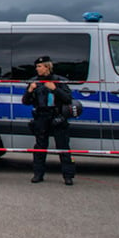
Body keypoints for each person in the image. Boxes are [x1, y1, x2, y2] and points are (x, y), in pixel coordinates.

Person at [22, 55, 76, 185]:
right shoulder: (34, 82)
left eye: (39, 66)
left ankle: (68, 176)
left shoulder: (59, 81)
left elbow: (68, 99)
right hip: (41, 116)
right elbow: (25, 101)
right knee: (40, 147)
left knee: (63, 146)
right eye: (36, 67)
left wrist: (55, 89)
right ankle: (38, 174)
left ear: (47, 67)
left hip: (57, 116)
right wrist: (30, 91)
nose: (37, 69)